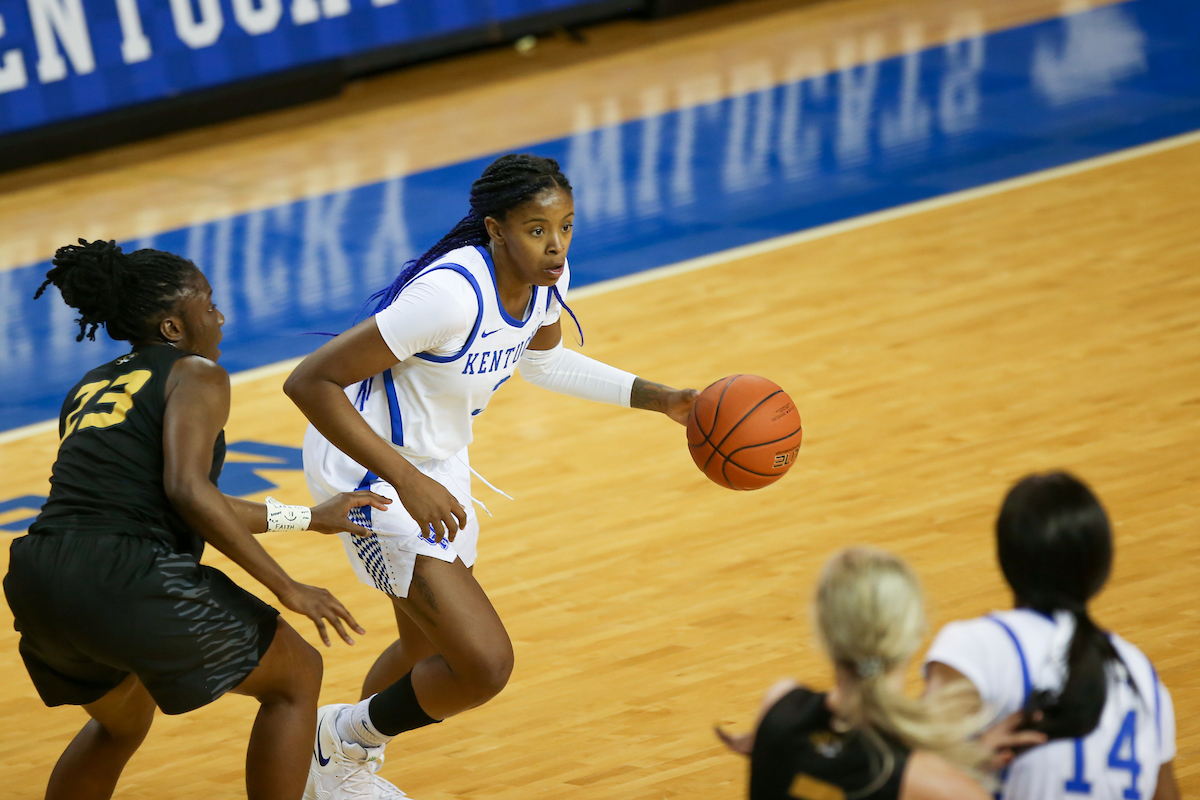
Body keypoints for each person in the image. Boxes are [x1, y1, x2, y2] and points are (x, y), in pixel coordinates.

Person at [283, 153, 698, 798]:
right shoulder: (449, 295)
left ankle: (341, 760)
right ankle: (338, 740)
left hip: (435, 464)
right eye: (537, 229)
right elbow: (310, 381)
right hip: (368, 470)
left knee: (425, 654)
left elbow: (546, 363)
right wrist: (407, 482)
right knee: (484, 663)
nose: (555, 245)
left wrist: (664, 399)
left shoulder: (545, 280)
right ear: (496, 228)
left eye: (565, 226)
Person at [4, 239, 389, 800]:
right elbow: (187, 489)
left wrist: (306, 517)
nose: (219, 315)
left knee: (121, 722)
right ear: (171, 327)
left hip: (40, 576)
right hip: (124, 570)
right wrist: (287, 587)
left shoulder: (86, 388)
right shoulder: (198, 373)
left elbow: (167, 495)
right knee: (296, 676)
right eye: (206, 303)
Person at [924, 471, 1180, 800]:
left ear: (1004, 560)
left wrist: (969, 762)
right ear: (1102, 568)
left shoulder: (978, 647)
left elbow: (906, 780)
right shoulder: (1141, 675)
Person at [717, 547, 1040, 800]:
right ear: (916, 632)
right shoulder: (931, 782)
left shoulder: (777, 707)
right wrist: (963, 766)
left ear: (824, 631)